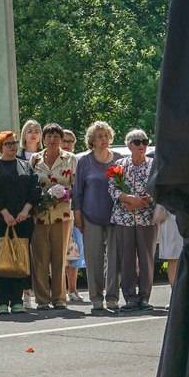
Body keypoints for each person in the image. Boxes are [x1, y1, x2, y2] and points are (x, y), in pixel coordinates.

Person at [0, 130, 39, 311]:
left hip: (22, 221)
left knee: (19, 260)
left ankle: (16, 300)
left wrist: (25, 210)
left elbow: (34, 188)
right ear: (1, 147)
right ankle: (1, 301)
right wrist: (4, 213)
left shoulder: (25, 165)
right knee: (2, 260)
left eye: (14, 143)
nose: (12, 146)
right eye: (8, 144)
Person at [107, 129, 161, 310]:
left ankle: (144, 296)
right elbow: (112, 188)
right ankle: (130, 297)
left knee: (146, 258)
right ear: (129, 145)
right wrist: (127, 199)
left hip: (146, 218)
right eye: (137, 142)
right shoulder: (120, 165)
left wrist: (142, 202)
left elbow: (157, 188)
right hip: (124, 219)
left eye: (145, 142)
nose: (142, 146)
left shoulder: (154, 165)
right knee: (127, 258)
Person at [72, 123, 119, 311]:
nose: (103, 139)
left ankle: (113, 296)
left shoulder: (119, 160)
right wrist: (78, 215)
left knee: (115, 258)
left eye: (106, 135)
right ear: (92, 140)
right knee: (94, 258)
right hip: (91, 215)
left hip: (116, 216)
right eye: (99, 136)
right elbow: (77, 191)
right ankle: (96, 297)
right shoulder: (85, 161)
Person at [31, 125, 77, 310]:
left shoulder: (70, 159)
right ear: (43, 138)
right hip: (39, 214)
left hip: (62, 214)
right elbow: (30, 184)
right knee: (40, 257)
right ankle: (42, 299)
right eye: (48, 136)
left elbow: (76, 185)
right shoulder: (35, 159)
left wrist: (64, 193)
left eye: (55, 136)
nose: (52, 140)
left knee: (59, 257)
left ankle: (59, 297)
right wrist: (41, 197)